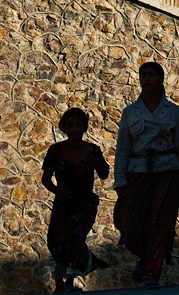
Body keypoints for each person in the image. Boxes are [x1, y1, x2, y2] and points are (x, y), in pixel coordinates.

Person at [114, 62, 179, 289]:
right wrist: (119, 179)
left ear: (160, 79)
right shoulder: (131, 112)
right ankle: (144, 257)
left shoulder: (173, 112)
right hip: (137, 173)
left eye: (152, 75)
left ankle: (152, 271)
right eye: (143, 75)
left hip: (166, 171)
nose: (147, 79)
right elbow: (122, 148)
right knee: (133, 221)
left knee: (161, 222)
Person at [41, 107, 110, 292]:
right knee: (56, 242)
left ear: (84, 128)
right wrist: (57, 191)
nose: (74, 129)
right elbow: (45, 178)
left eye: (78, 125)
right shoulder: (55, 151)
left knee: (75, 237)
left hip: (84, 204)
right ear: (64, 128)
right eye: (70, 125)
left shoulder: (92, 150)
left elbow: (105, 173)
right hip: (63, 205)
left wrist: (97, 164)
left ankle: (71, 279)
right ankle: (58, 283)